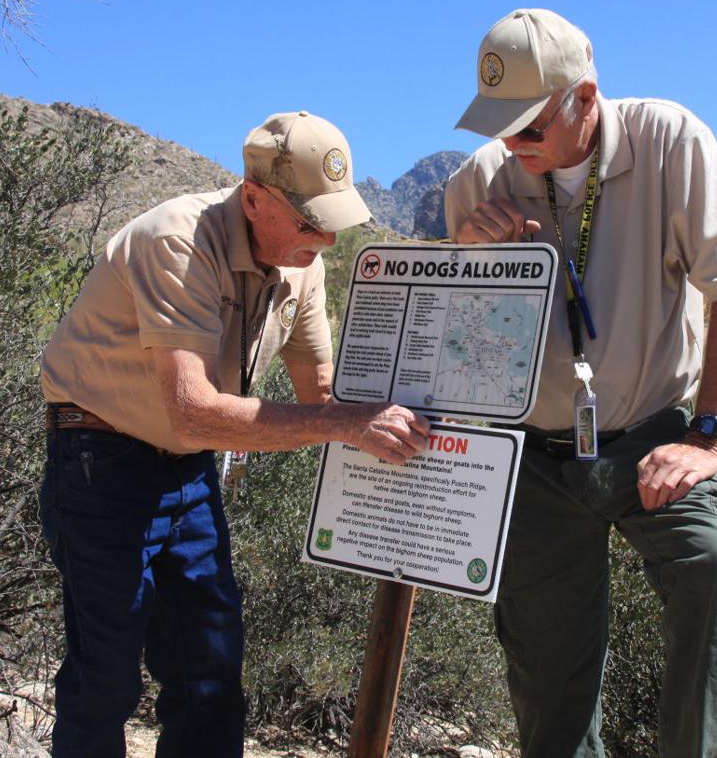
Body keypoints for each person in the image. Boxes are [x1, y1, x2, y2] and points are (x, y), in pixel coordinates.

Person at [38, 111, 430, 758]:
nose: (326, 242)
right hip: (99, 458)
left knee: (210, 676)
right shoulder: (177, 240)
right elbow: (194, 409)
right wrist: (347, 424)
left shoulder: (304, 265)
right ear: (253, 198)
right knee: (103, 677)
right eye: (310, 222)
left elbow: (323, 398)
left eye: (333, 222)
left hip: (187, 469)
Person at [444, 9, 717, 758]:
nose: (510, 144)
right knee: (548, 682)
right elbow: (464, 350)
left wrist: (707, 439)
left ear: (585, 98)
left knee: (715, 574)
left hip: (656, 434)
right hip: (534, 457)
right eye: (498, 124)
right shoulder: (478, 186)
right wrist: (474, 262)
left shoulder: (670, 141)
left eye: (527, 125)